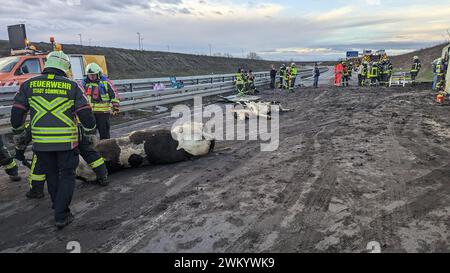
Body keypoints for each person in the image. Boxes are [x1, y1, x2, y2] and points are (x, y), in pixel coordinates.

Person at [11, 50, 97, 229]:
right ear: (65, 66)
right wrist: (90, 133)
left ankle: (57, 206)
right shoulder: (72, 86)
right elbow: (85, 113)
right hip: (66, 142)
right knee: (67, 175)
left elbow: (17, 111)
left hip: (41, 143)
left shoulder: (28, 85)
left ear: (47, 64)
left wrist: (18, 133)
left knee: (51, 174)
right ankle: (61, 214)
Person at [82, 63, 120, 140]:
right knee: (90, 135)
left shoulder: (106, 82)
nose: (92, 76)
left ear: (98, 74)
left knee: (104, 134)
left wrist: (115, 106)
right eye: (90, 75)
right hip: (89, 113)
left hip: (103, 113)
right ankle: (92, 150)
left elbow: (114, 94)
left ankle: (106, 150)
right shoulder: (83, 84)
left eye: (94, 75)